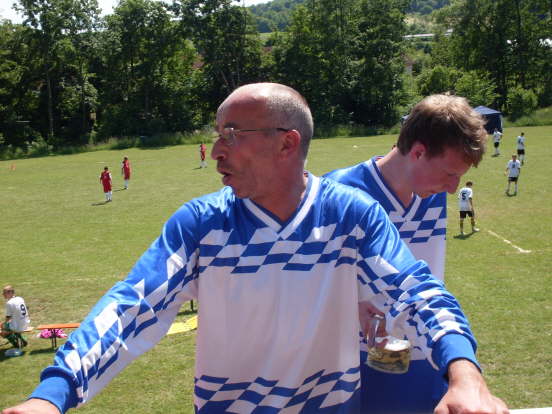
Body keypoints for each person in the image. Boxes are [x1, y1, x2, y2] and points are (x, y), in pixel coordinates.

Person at [2, 83, 508, 414]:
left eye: (232, 134)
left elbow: (417, 291)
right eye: (217, 134)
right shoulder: (202, 224)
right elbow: (132, 307)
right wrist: (52, 396)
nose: (217, 149)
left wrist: (464, 373)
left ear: (287, 144)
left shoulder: (350, 214)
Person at [325, 94, 488, 413]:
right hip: (359, 361)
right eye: (449, 174)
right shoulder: (340, 194)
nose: (454, 188)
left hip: (426, 355)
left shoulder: (431, 193)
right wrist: (353, 302)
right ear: (418, 152)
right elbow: (310, 284)